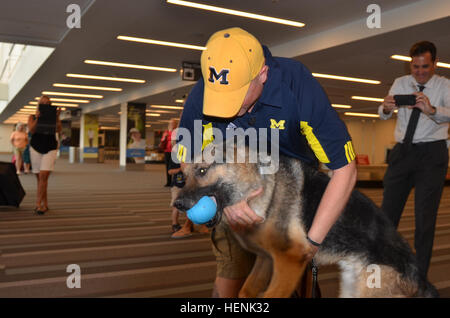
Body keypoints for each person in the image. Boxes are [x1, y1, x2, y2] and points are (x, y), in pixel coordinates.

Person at [176, 27, 357, 297]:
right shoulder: (203, 90)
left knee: (291, 277)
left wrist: (311, 243)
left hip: (291, 192)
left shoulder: (297, 85)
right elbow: (188, 159)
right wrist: (221, 197)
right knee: (232, 272)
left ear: (262, 74)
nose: (227, 109)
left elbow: (345, 169)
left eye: (236, 96)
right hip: (229, 188)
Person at [378, 41, 450, 278]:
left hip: (432, 154)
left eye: (425, 66)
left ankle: (418, 278)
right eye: (415, 66)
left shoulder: (445, 85)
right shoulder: (401, 83)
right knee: (386, 215)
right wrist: (386, 108)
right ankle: (384, 269)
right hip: (402, 153)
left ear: (435, 64)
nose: (419, 71)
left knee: (424, 219)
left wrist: (432, 110)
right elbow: (383, 113)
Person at [27, 95, 62, 215]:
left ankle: (38, 205)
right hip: (36, 147)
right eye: (43, 102)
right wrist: (37, 118)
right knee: (41, 179)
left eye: (47, 103)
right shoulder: (32, 116)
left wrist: (57, 117)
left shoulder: (54, 117)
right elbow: (31, 130)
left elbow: (58, 130)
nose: (45, 104)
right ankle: (45, 203)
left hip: (50, 146)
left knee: (43, 175)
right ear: (39, 104)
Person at [160, 119, 177, 187]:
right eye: (170, 123)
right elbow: (162, 141)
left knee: (175, 167)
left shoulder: (177, 131)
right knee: (168, 167)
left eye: (173, 123)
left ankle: (175, 181)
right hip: (167, 151)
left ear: (175, 124)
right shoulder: (166, 132)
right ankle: (168, 182)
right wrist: (164, 137)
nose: (171, 125)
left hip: (175, 152)